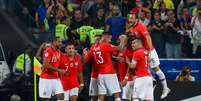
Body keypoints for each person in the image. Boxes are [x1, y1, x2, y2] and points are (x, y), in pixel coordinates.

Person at [127, 7, 170, 99]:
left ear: (136, 19)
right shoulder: (132, 28)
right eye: (129, 18)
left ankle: (165, 88)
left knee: (156, 69)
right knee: (146, 71)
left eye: (131, 18)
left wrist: (149, 52)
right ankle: (150, 88)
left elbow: (148, 38)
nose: (129, 20)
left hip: (150, 50)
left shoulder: (141, 26)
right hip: (142, 51)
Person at [83, 33, 124, 101]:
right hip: (109, 72)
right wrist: (123, 40)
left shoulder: (93, 48)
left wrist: (85, 54)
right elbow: (120, 48)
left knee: (101, 95)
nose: (110, 41)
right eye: (109, 38)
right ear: (105, 38)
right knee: (116, 94)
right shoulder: (105, 45)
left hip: (100, 74)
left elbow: (85, 60)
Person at [39, 37, 65, 101]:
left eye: (61, 42)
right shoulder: (48, 50)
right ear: (54, 42)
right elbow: (45, 65)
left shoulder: (59, 52)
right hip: (46, 78)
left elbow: (65, 58)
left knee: (61, 96)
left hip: (55, 78)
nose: (61, 43)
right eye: (59, 42)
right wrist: (58, 70)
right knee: (46, 99)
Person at [115, 35, 133, 101]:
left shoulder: (128, 50)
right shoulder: (118, 51)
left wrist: (126, 78)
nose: (118, 41)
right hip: (120, 78)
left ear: (125, 41)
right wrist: (117, 58)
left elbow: (130, 66)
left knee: (127, 98)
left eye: (120, 39)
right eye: (119, 39)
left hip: (128, 79)